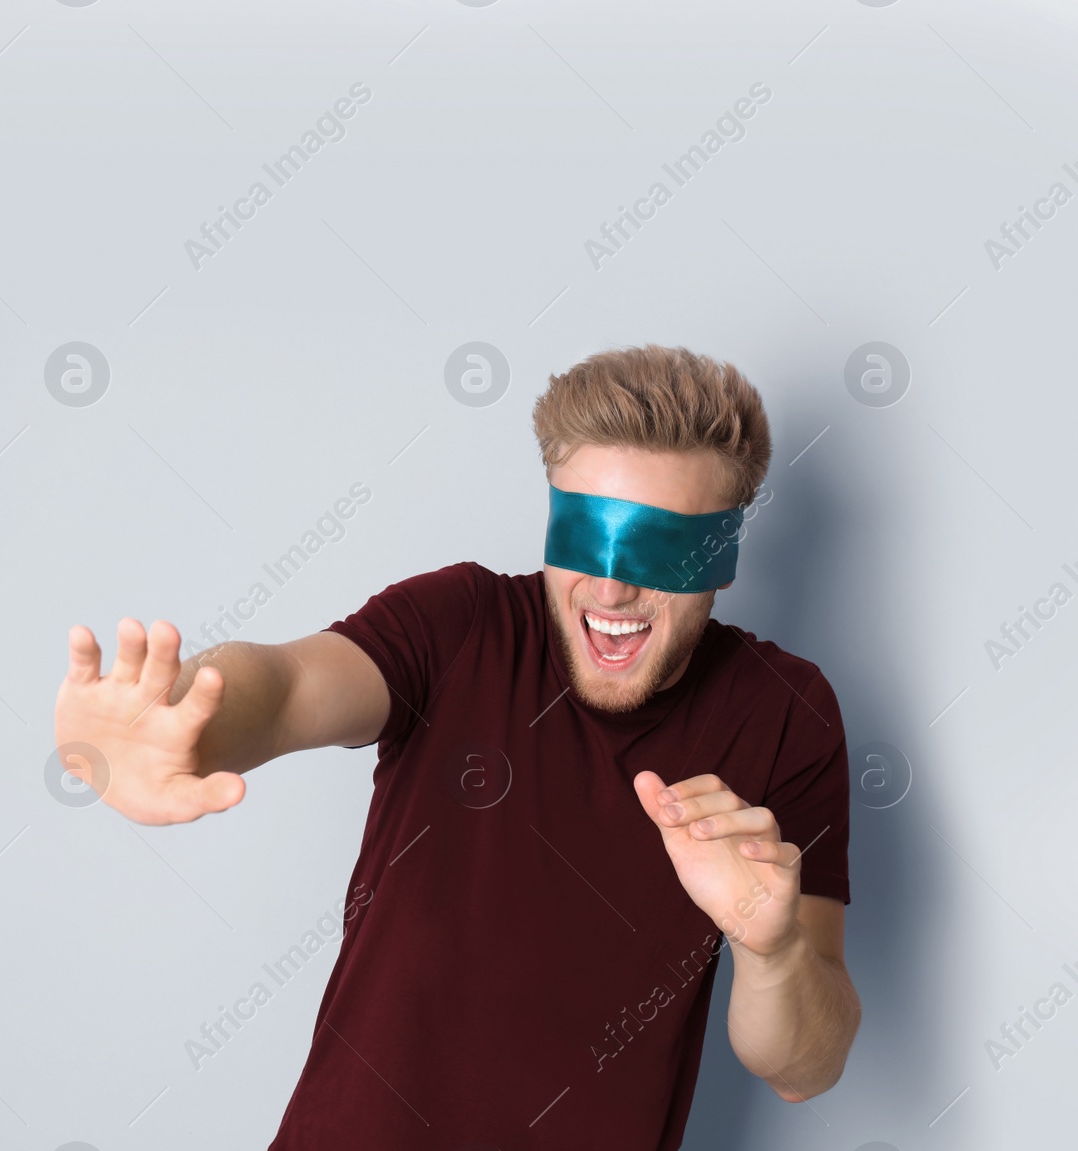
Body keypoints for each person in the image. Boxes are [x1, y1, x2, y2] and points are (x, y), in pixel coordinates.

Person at [53, 344, 861, 1149]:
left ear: (724, 554)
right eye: (586, 535)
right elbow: (290, 686)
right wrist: (191, 710)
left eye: (659, 550)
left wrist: (776, 945)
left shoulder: (785, 711)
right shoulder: (461, 626)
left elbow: (805, 1068)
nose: (613, 589)